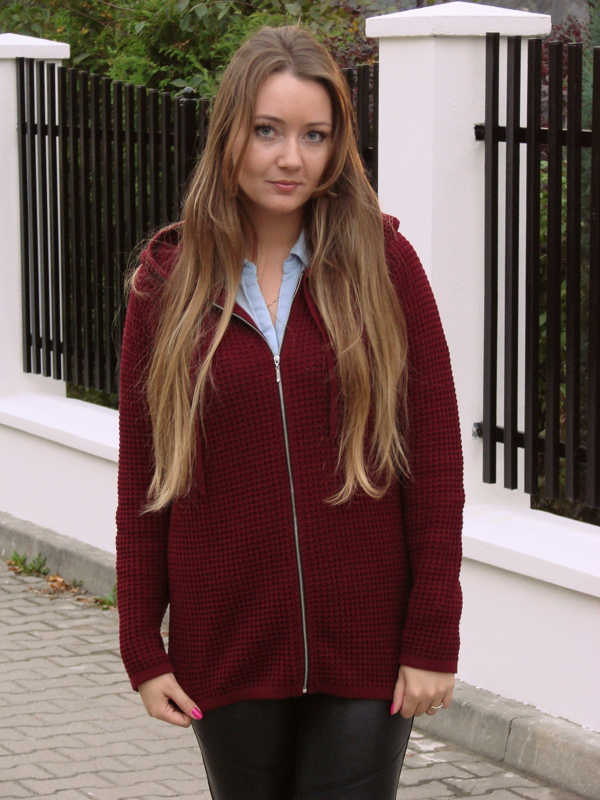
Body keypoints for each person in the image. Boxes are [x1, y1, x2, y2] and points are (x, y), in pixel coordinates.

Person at [116, 25, 464, 800]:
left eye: (314, 135)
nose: (291, 158)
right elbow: (144, 479)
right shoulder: (166, 284)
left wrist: (433, 633)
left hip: (369, 644)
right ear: (230, 134)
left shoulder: (385, 265)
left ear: (337, 145)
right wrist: (142, 645)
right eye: (268, 131)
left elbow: (436, 464)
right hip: (225, 641)